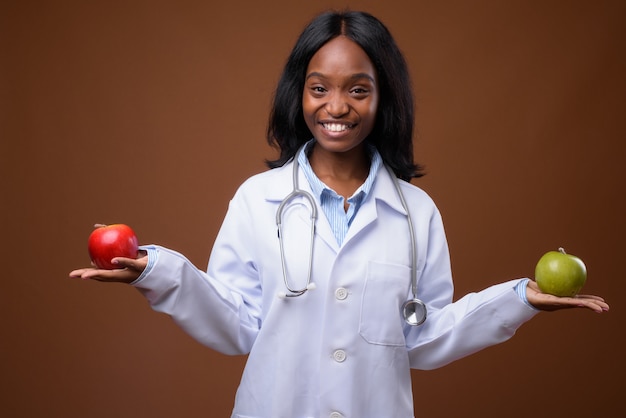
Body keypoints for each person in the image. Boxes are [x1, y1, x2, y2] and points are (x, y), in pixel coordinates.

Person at [70, 10, 609, 418]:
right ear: (298, 96)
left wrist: (519, 301)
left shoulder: (415, 212)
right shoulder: (258, 198)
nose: (336, 107)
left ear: (383, 99)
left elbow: (422, 335)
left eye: (358, 90)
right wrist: (158, 271)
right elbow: (237, 324)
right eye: (319, 88)